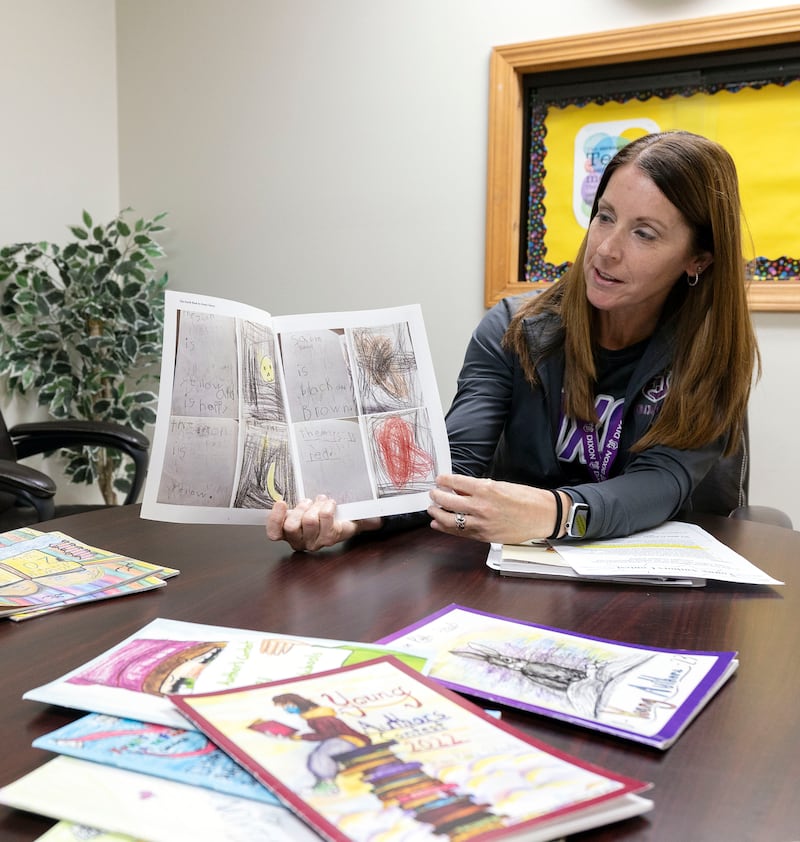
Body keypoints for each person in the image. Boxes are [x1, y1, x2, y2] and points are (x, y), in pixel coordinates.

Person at [267, 130, 759, 551]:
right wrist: (362, 518)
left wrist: (555, 513)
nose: (605, 250)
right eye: (604, 216)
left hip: (653, 586)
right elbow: (456, 464)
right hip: (514, 573)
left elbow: (661, 483)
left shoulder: (709, 353)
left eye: (644, 234)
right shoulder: (514, 327)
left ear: (698, 259)